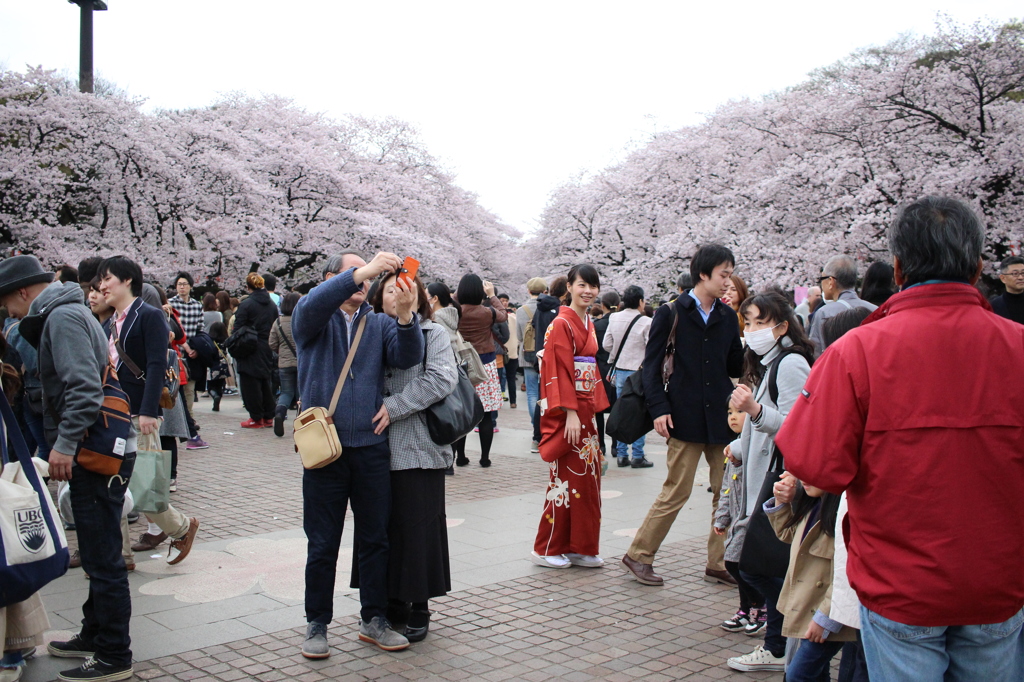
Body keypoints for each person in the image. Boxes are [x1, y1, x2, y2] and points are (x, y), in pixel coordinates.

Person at [776, 196, 1024, 681]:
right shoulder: (1017, 348)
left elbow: (814, 464)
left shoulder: (856, 353)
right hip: (997, 578)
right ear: (976, 267)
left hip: (898, 582)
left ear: (899, 267)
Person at [0, 255, 135, 682]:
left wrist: (63, 445)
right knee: (98, 551)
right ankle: (94, 633)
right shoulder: (68, 313)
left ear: (23, 291)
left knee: (102, 557)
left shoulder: (61, 318)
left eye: (6, 300)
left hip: (93, 450)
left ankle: (114, 654)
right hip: (101, 446)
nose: (6, 310)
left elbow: (82, 387)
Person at [293, 251, 423, 657]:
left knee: (374, 539)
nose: (364, 282)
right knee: (322, 542)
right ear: (335, 279)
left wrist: (405, 317)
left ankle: (374, 619)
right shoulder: (314, 319)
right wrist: (362, 271)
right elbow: (313, 304)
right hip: (324, 451)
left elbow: (407, 356)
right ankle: (317, 623)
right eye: (354, 274)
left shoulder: (378, 322)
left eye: (367, 276)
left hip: (369, 448)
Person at [621, 244, 744, 588]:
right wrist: (659, 409)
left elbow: (734, 365)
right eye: (723, 274)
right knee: (677, 490)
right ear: (703, 274)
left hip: (721, 418)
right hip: (683, 416)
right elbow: (652, 367)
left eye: (730, 274)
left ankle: (719, 563)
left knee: (728, 492)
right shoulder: (671, 312)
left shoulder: (726, 315)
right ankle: (638, 555)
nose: (727, 281)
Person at [361, 272, 457, 642]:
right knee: (382, 529)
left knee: (418, 528)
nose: (398, 295)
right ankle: (389, 600)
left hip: (419, 447)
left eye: (406, 289)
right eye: (390, 289)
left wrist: (394, 406)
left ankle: (419, 603)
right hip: (372, 450)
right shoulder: (367, 332)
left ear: (418, 298)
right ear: (377, 298)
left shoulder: (434, 334)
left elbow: (441, 379)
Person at [96, 256, 201, 567]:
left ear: (127, 280)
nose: (102, 287)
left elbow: (157, 364)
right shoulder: (108, 323)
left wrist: (149, 411)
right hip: (112, 412)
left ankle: (181, 527)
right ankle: (121, 554)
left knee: (144, 485)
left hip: (139, 412)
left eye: (107, 279)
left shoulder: (149, 316)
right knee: (113, 486)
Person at [531, 264, 609, 569]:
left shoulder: (588, 320)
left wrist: (587, 410)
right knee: (565, 480)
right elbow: (557, 368)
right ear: (570, 287)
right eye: (582, 285)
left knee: (588, 480)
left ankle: (581, 546)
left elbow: (589, 364)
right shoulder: (561, 323)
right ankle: (546, 546)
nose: (588, 291)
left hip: (585, 410)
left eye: (593, 286)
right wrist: (571, 413)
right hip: (570, 412)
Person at [753, 474, 854, 679]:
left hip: (827, 615)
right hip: (807, 609)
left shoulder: (843, 514)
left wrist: (825, 619)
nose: (803, 479)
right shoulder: (814, 504)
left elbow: (846, 574)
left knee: (798, 675)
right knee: (814, 674)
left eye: (812, 473)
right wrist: (781, 502)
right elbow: (788, 534)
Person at [713, 403, 765, 637]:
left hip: (752, 519)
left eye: (740, 412)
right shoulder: (732, 453)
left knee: (736, 563)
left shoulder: (754, 451)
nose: (733, 417)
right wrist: (721, 518)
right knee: (737, 562)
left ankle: (759, 607)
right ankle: (747, 608)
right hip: (735, 520)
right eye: (729, 413)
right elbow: (725, 488)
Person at [453, 274, 506, 468]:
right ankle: (485, 458)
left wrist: (460, 292)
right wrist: (492, 295)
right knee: (485, 413)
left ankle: (459, 457)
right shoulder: (487, 312)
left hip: (461, 364)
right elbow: (504, 314)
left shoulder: (455, 311)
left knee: (462, 412)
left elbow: (451, 300)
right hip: (485, 364)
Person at [602, 285, 652, 468]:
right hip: (638, 372)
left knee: (622, 410)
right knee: (639, 412)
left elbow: (606, 344)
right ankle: (638, 455)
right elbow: (651, 349)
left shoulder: (614, 317)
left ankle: (622, 454)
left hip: (619, 370)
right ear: (640, 301)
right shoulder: (646, 321)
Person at [233, 273, 279, 429]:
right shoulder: (272, 305)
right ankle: (268, 416)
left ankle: (256, 417)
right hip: (267, 346)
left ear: (248, 287)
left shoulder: (246, 305)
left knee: (250, 383)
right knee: (266, 381)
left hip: (249, 347)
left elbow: (237, 328)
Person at [806, 256, 876, 355]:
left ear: (831, 281)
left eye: (822, 278)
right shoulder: (875, 310)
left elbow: (816, 354)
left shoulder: (824, 313)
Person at [517, 277, 548, 448]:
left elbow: (520, 337)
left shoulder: (522, 310)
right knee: (544, 393)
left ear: (528, 291)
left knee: (531, 393)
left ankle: (534, 426)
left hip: (527, 354)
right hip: (544, 355)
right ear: (545, 291)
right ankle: (542, 425)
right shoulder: (549, 308)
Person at [168, 272, 204, 413]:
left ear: (190, 286)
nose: (182, 287)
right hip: (175, 352)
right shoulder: (170, 305)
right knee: (175, 388)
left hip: (191, 354)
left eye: (184, 284)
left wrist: (196, 348)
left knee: (190, 389)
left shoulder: (197, 306)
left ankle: (189, 417)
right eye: (179, 284)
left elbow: (200, 329)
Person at [269, 292, 300, 437]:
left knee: (286, 392)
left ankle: (280, 413)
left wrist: (281, 352)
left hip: (284, 363)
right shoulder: (302, 320)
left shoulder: (278, 322)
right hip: (302, 363)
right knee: (302, 394)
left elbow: (272, 343)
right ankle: (302, 423)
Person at [592, 290, 619, 457]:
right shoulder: (621, 324)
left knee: (599, 410)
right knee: (617, 408)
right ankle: (616, 446)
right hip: (617, 369)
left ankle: (601, 444)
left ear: (602, 306)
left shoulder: (597, 325)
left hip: (600, 370)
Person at [498, 293, 519, 409]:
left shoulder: (513, 317)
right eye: (502, 300)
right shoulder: (498, 317)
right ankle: (502, 399)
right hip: (503, 351)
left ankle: (513, 401)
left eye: (506, 300)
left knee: (510, 378)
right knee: (501, 377)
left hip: (510, 351)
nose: (504, 303)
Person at [990, 255, 1024, 324]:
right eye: (1015, 274)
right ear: (1003, 278)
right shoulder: (995, 305)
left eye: (1023, 273)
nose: (1020, 277)